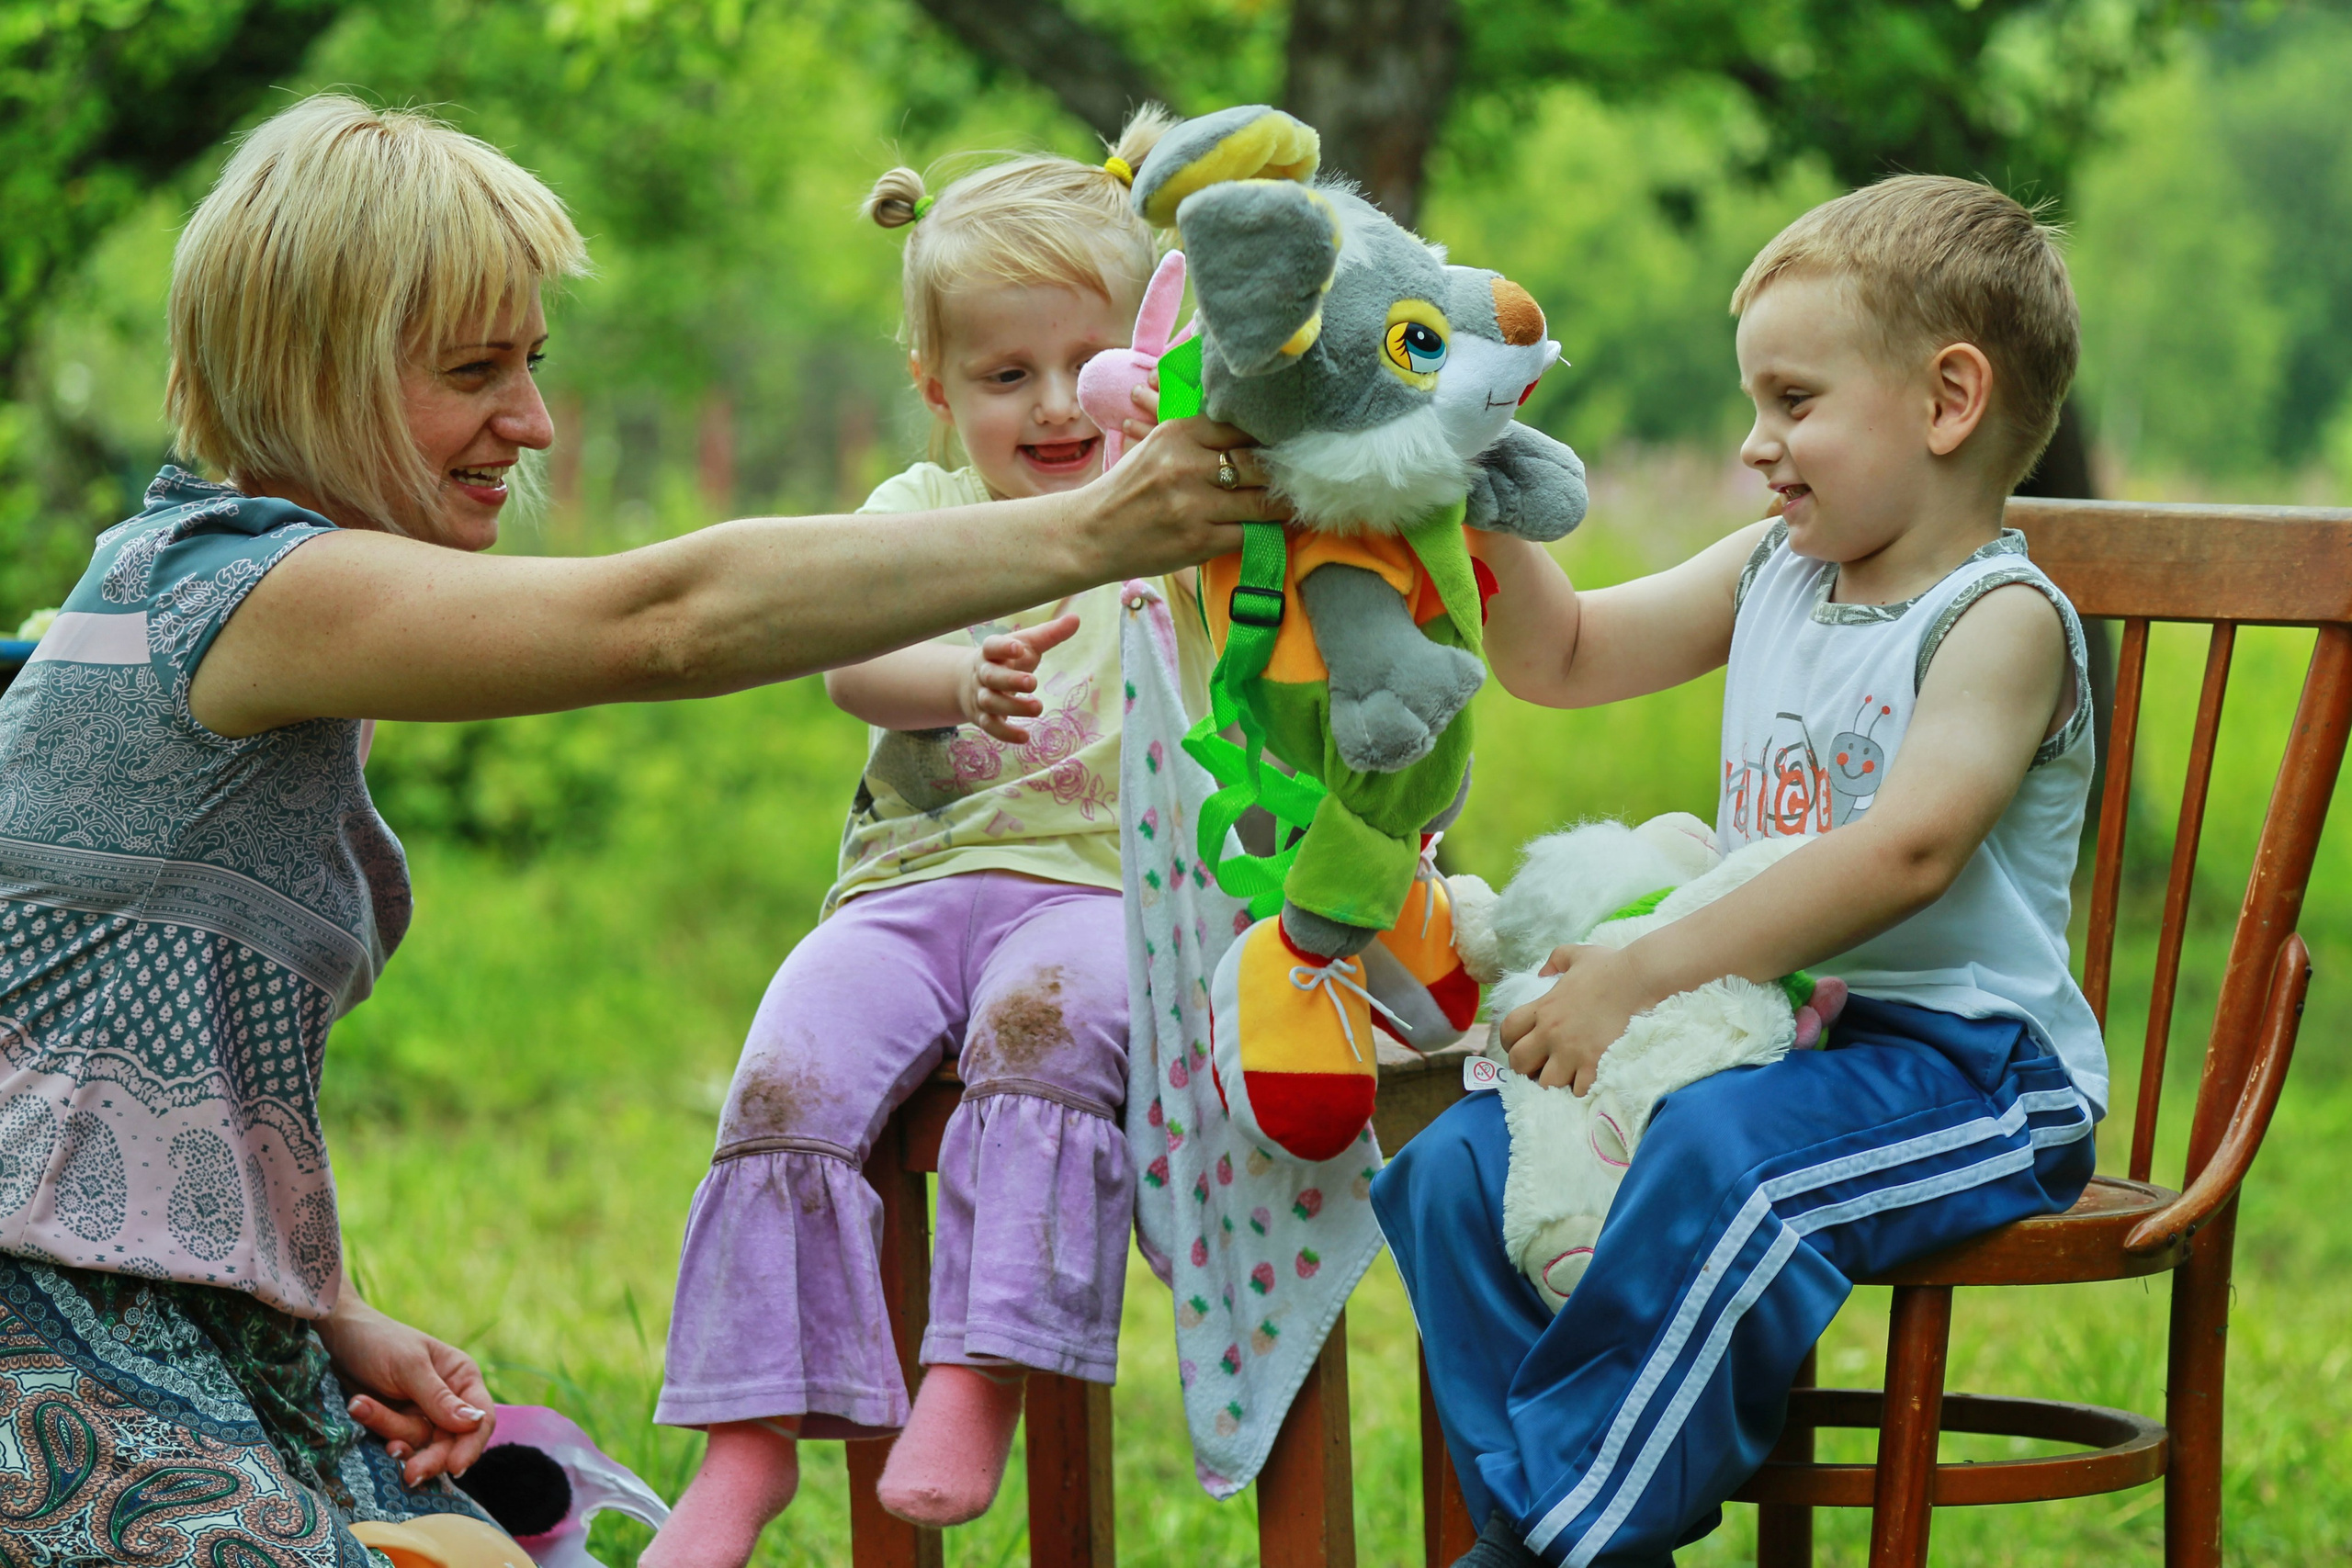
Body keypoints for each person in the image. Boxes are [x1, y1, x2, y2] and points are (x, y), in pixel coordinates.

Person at [0, 95, 1272, 1566]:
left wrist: (319, 1308)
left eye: (530, 365)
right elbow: (662, 620)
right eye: (475, 372)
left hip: (151, 1305)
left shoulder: (187, 590)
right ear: (316, 373)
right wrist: (1102, 528)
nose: (532, 422)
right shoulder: (244, 593)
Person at [1376, 175, 2103, 1567]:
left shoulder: (1999, 620)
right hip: (1769, 1037)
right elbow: (1565, 654)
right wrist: (1473, 489)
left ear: (1949, 400)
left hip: (1966, 1066)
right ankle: (1568, 1525)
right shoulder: (1776, 567)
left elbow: (1906, 852)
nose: (1758, 446)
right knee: (1459, 1163)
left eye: (1794, 401)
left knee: (1728, 1168)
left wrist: (1640, 972)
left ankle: (1552, 1543)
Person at [643, 110, 1209, 1566]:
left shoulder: (1175, 518)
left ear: (1145, 352)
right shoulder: (925, 513)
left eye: (1073, 366)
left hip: (1095, 892)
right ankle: (748, 1443)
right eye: (998, 375)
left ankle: (979, 1368)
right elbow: (849, 663)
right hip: (909, 885)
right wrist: (950, 675)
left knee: (1054, 1031)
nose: (1045, 408)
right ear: (934, 387)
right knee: (789, 1068)